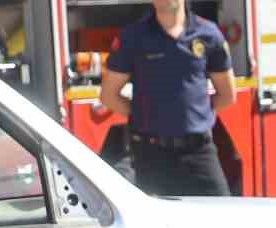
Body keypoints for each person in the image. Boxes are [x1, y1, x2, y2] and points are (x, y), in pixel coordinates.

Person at [100, 0, 236, 196]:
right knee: (155, 224)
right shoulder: (133, 37)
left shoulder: (208, 34)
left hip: (199, 153)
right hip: (151, 155)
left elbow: (227, 95)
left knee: (220, 217)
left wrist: (196, 113)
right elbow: (109, 95)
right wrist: (145, 112)